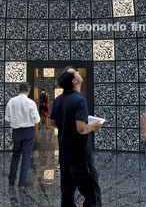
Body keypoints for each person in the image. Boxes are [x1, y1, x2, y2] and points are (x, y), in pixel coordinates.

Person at [50, 66, 103, 207]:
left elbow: (52, 122)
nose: (79, 73)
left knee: (67, 194)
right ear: (74, 81)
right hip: (80, 156)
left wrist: (66, 126)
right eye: (76, 73)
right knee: (92, 195)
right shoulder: (80, 100)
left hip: (65, 155)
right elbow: (81, 128)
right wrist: (94, 126)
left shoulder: (59, 99)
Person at [5, 82, 40, 187]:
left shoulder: (12, 101)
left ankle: (12, 178)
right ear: (28, 90)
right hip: (28, 130)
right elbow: (36, 119)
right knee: (26, 155)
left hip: (16, 131)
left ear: (18, 89)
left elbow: (7, 118)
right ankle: (22, 181)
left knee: (15, 154)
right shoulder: (30, 102)